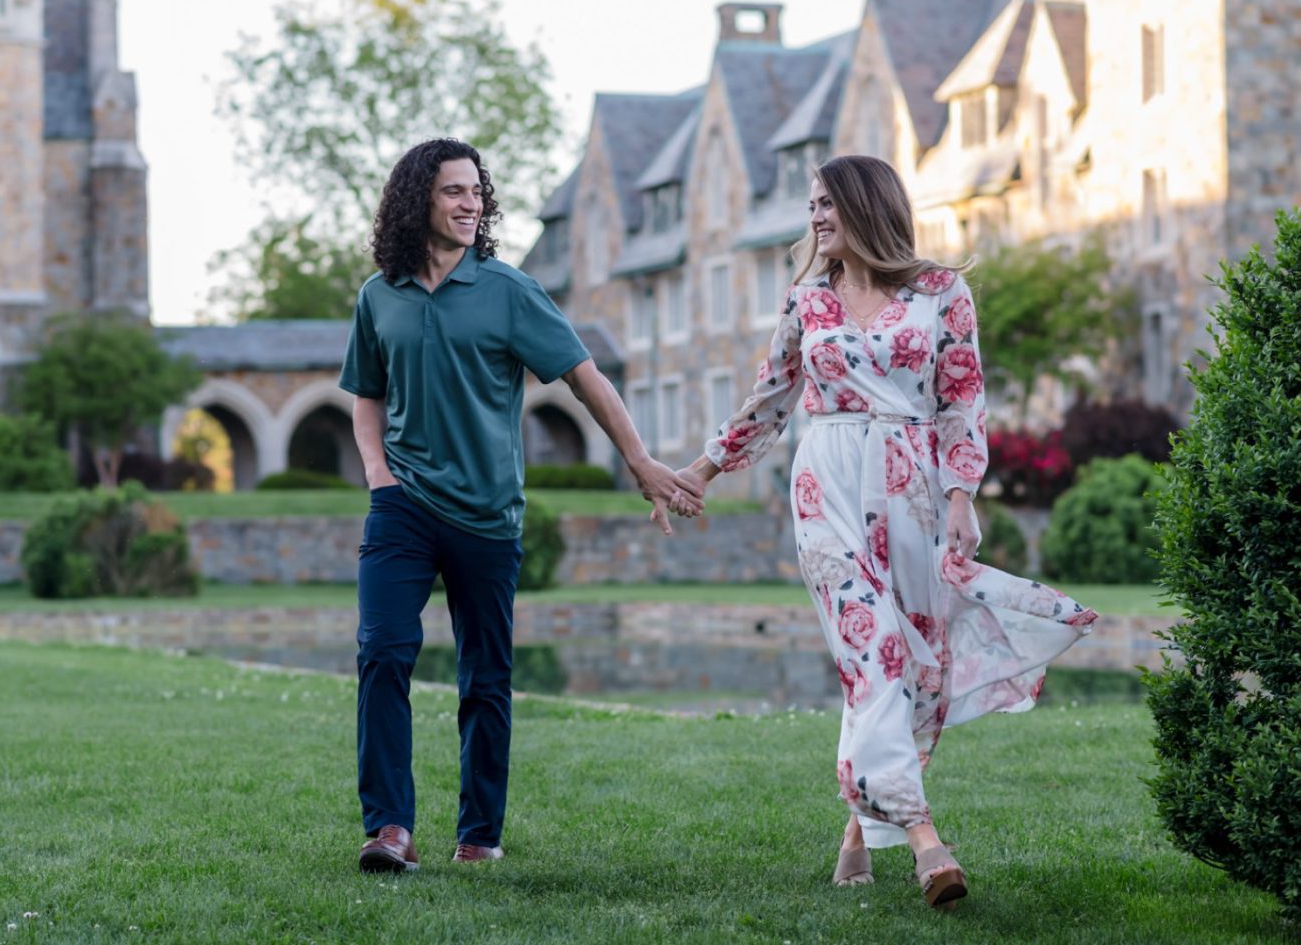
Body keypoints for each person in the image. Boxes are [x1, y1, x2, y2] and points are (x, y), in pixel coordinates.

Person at [673, 154, 1097, 908]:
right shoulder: (808, 301)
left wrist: (964, 492)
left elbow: (963, 398)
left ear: (866, 206)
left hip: (916, 487)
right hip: (827, 482)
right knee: (876, 648)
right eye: (811, 205)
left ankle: (859, 831)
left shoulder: (942, 292)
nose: (815, 217)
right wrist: (700, 473)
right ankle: (927, 838)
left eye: (827, 204)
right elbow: (768, 400)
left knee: (913, 669)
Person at [341, 136, 700, 874]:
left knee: (486, 677)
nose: (470, 202)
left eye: (477, 190)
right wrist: (378, 472)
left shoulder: (509, 289)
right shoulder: (379, 296)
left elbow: (585, 377)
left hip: (487, 514)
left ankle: (478, 832)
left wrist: (640, 461)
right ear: (417, 200)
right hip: (402, 505)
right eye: (453, 190)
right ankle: (389, 828)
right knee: (382, 651)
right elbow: (366, 394)